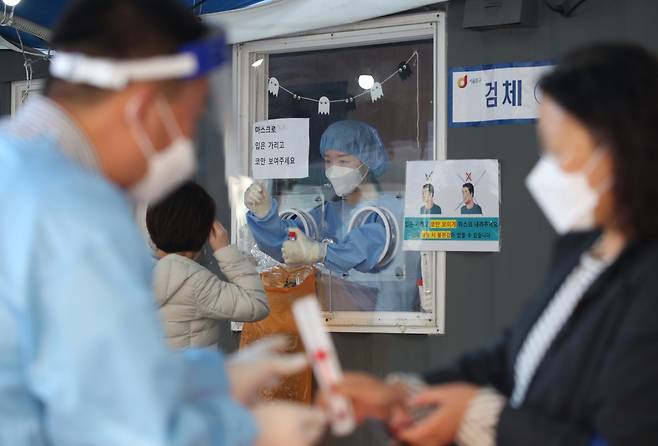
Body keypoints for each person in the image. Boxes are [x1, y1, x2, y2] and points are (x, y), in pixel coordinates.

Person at [0, 1, 326, 445]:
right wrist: (248, 430)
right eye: (185, 124)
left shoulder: (19, 169)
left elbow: (98, 367)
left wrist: (215, 378)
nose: (182, 151)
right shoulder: (75, 213)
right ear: (142, 109)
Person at [331, 43, 658, 446]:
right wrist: (407, 392)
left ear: (622, 149)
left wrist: (483, 417)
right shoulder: (583, 249)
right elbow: (511, 358)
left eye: (560, 153)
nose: (543, 173)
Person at [245, 120, 420, 312]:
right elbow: (287, 242)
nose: (333, 169)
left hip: (390, 327)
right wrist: (264, 217)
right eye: (328, 161)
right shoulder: (327, 215)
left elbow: (367, 245)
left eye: (343, 161)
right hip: (338, 326)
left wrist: (320, 252)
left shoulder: (396, 211)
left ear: (368, 160)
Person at [147, 181, 269, 349]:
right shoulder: (195, 283)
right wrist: (225, 250)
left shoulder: (132, 272)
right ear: (205, 231)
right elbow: (257, 304)